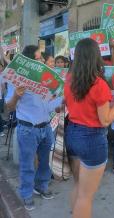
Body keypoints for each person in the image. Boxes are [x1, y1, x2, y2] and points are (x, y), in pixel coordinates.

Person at [64, 38, 114, 218]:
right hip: (92, 140)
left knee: (78, 187)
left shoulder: (69, 79)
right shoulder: (98, 84)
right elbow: (106, 120)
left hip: (73, 134)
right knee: (86, 197)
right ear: (96, 56)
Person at [5, 45, 63, 211]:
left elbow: (49, 105)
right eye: (39, 59)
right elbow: (9, 106)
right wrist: (16, 96)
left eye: (42, 59)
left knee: (45, 162)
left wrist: (59, 104)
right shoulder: (16, 79)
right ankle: (26, 194)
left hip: (46, 127)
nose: (43, 61)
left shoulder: (47, 79)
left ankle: (41, 186)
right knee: (27, 164)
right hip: (28, 129)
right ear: (30, 62)